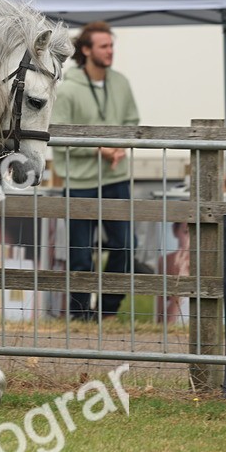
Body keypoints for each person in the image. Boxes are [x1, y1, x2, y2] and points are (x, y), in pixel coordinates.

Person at [52, 21, 139, 321]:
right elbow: (58, 137)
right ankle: (78, 316)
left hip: (116, 178)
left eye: (112, 45)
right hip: (79, 182)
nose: (110, 51)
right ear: (86, 50)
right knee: (79, 254)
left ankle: (107, 312)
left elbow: (132, 121)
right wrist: (97, 149)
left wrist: (119, 146)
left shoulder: (121, 83)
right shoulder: (67, 90)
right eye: (104, 46)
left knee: (126, 246)